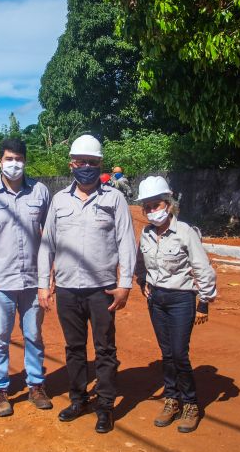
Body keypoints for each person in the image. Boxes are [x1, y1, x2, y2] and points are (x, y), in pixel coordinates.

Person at [38, 134, 136, 434]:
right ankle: (78, 400)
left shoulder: (114, 199)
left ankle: (105, 406)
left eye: (92, 162)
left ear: (100, 165)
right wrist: (43, 284)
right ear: (71, 164)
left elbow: (126, 242)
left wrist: (125, 285)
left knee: (105, 349)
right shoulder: (59, 200)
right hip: (68, 288)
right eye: (81, 162)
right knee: (74, 348)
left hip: (102, 288)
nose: (86, 167)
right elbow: (47, 244)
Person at [0, 138, 52, 417]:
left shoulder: (40, 192)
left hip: (32, 280)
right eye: (9, 159)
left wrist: (49, 275)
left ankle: (36, 386)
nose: (14, 164)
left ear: (25, 161)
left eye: (18, 159)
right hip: (0, 281)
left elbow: (50, 236)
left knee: (34, 335)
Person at [134, 176, 217, 433]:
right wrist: (142, 281)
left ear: (168, 204)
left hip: (181, 299)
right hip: (156, 300)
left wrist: (204, 302)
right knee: (167, 353)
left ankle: (190, 403)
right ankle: (172, 399)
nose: (151, 211)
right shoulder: (146, 234)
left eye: (156, 205)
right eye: (147, 207)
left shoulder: (185, 232)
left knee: (180, 353)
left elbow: (202, 268)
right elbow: (140, 263)